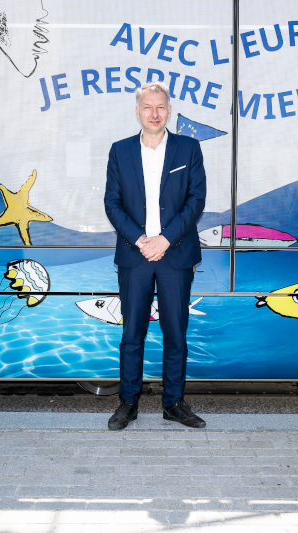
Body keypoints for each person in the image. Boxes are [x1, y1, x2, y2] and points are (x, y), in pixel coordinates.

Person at [103, 81, 207, 431]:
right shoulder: (120, 151)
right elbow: (112, 203)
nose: (154, 113)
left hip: (175, 254)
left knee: (175, 333)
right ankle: (127, 403)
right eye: (147, 107)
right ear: (137, 111)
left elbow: (196, 200)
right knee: (132, 333)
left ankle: (173, 403)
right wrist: (140, 239)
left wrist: (164, 239)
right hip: (135, 255)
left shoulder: (188, 149)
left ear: (169, 111)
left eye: (160, 107)